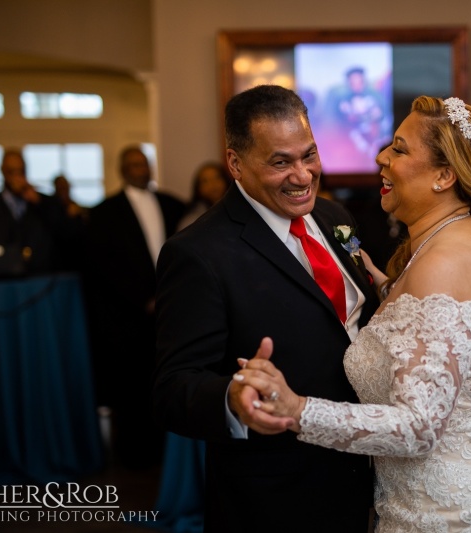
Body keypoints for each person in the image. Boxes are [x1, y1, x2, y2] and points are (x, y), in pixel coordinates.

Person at [233, 96, 471, 532]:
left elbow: (418, 426)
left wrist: (297, 410)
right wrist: (389, 288)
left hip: (442, 511)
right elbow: (442, 332)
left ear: (445, 176)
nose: (380, 157)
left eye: (400, 149)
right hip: (445, 490)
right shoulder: (455, 240)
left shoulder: (444, 264)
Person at [153, 85, 380, 533]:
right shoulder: (198, 253)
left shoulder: (336, 218)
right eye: (281, 162)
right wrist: (232, 399)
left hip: (363, 471)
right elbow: (172, 388)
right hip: (275, 494)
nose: (303, 175)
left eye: (309, 155)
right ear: (236, 163)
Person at [85, 145, 185, 468]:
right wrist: (143, 299)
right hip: (127, 317)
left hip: (172, 312)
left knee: (169, 379)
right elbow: (104, 267)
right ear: (121, 169)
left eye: (143, 163)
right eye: (131, 164)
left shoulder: (172, 204)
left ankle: (167, 453)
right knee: (131, 387)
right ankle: (134, 457)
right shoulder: (103, 212)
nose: (139, 168)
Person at [0, 149, 70, 276]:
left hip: (40, 278)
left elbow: (64, 233)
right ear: (2, 171)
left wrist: (39, 202)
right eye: (11, 172)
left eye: (20, 171)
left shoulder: (45, 203)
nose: (17, 177)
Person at [176, 162, 232, 231]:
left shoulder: (238, 209)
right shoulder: (191, 220)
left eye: (217, 177)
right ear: (198, 188)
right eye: (205, 181)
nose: (213, 184)